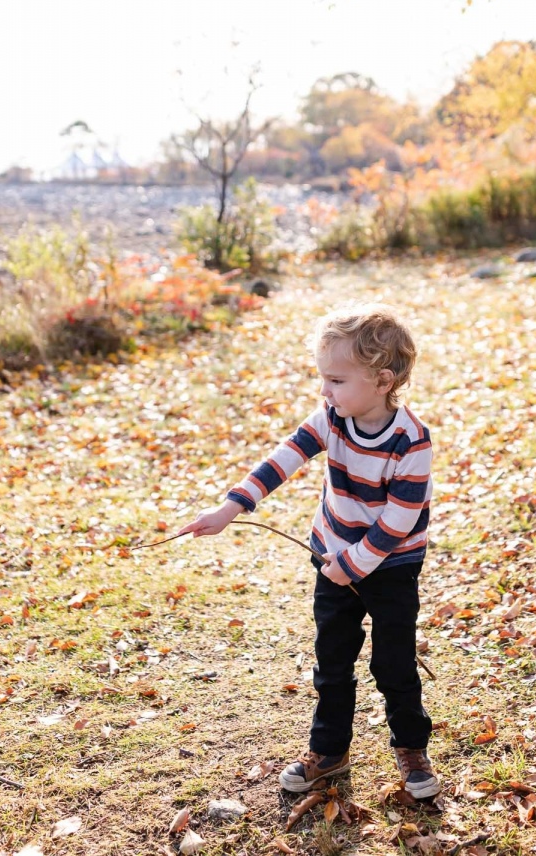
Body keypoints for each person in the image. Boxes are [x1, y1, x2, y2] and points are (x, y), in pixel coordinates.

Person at [179, 305, 437, 799]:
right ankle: (330, 750)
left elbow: (400, 518)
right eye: (323, 379)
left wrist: (356, 564)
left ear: (383, 380)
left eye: (336, 380)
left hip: (391, 567)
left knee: (393, 662)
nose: (325, 391)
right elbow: (284, 458)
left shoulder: (411, 440)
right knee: (332, 658)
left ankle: (411, 749)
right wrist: (231, 508)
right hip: (332, 555)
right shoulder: (331, 419)